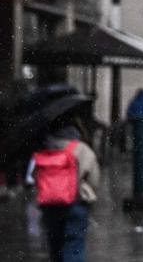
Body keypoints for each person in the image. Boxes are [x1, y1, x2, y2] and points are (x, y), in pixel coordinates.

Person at [32, 108, 100, 262]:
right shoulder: (81, 149)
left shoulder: (45, 147)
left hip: (50, 204)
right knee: (74, 245)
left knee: (55, 248)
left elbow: (36, 176)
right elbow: (94, 178)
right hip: (76, 202)